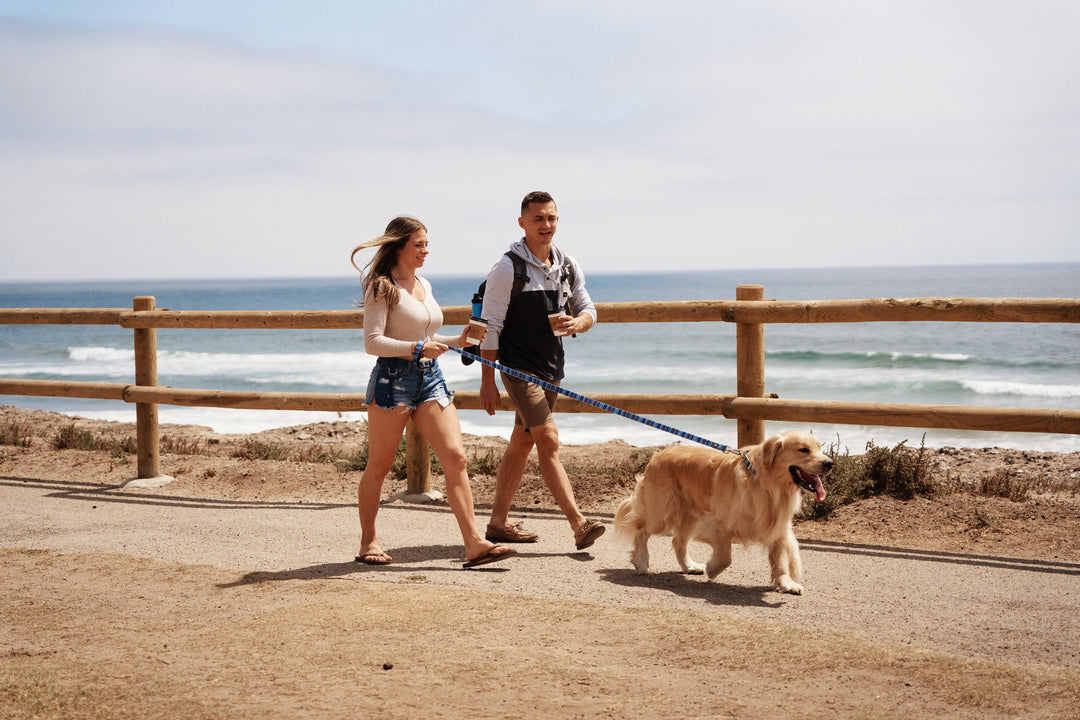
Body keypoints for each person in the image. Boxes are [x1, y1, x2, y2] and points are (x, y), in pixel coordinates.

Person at [351, 216, 516, 569]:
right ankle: (368, 542)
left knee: (456, 457)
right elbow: (372, 342)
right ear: (399, 247)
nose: (426, 251)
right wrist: (414, 349)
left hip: (430, 378)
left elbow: (429, 337)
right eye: (419, 245)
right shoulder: (381, 286)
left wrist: (459, 341)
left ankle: (473, 543)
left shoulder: (423, 283)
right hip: (392, 381)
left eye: (427, 244)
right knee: (379, 466)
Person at [478, 191, 605, 550]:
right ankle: (579, 523)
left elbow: (588, 307)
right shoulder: (507, 268)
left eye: (550, 218)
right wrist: (487, 382)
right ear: (523, 223)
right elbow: (490, 327)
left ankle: (498, 523)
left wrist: (578, 323)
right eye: (538, 219)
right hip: (518, 370)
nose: (545, 225)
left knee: (522, 442)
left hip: (552, 368)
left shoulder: (567, 265)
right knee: (548, 440)